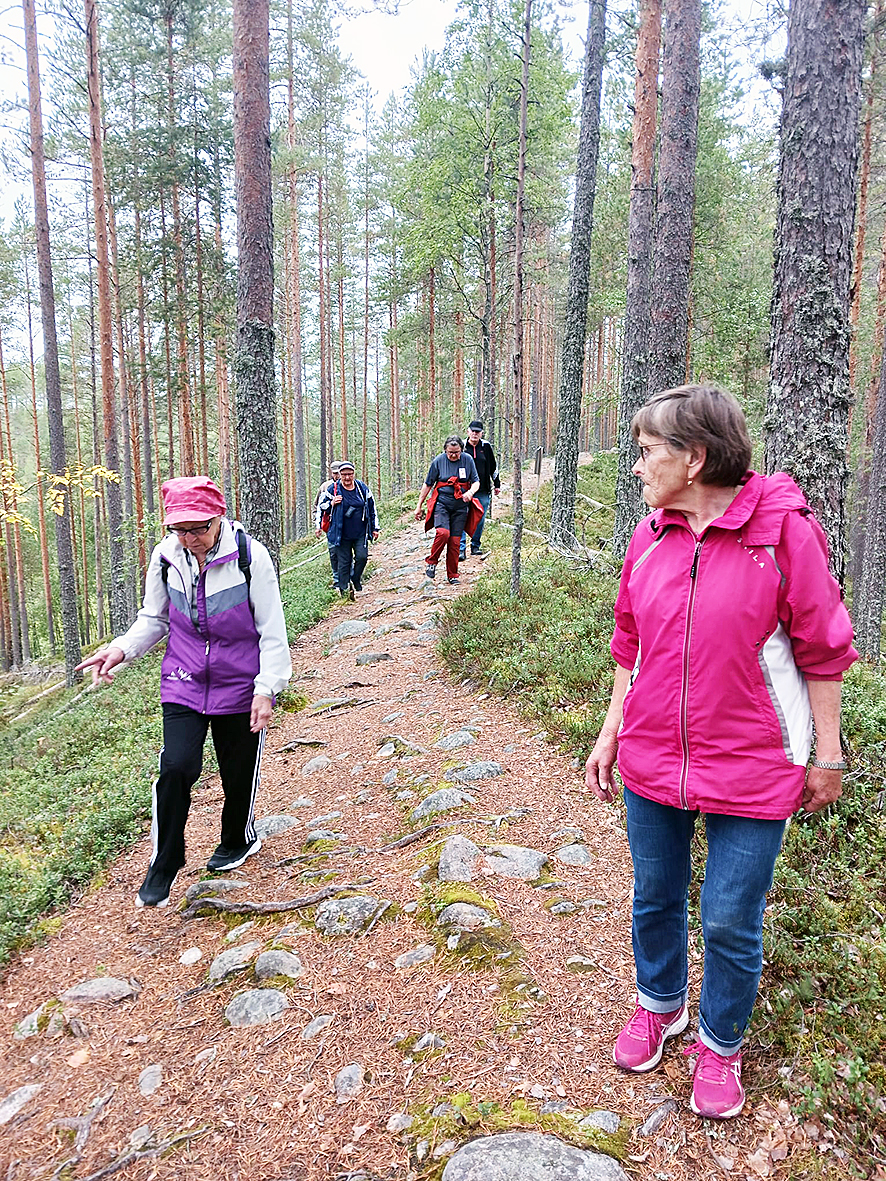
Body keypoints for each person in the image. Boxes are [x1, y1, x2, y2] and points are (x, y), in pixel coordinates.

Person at [585, 384, 857, 1120]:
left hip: (754, 761)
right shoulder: (650, 534)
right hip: (651, 755)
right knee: (654, 895)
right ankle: (661, 1004)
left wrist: (826, 753)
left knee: (731, 915)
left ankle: (721, 1042)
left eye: (648, 452)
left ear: (695, 457)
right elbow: (629, 640)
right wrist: (613, 727)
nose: (637, 467)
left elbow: (824, 647)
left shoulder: (783, 531)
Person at [76, 476, 292, 909]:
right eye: (180, 529)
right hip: (184, 677)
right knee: (176, 766)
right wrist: (118, 650)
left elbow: (272, 629)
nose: (190, 538)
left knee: (237, 771)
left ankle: (237, 839)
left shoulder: (249, 556)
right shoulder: (165, 557)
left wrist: (267, 688)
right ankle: (165, 861)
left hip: (240, 681)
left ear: (219, 519)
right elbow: (154, 618)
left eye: (198, 528)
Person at [415, 435, 481, 585]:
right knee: (443, 533)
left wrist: (470, 493)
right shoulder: (438, 461)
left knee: (455, 541)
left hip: (461, 506)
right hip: (442, 504)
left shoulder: (467, 460)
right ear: (445, 450)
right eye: (450, 452)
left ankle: (453, 575)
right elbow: (428, 484)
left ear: (461, 450)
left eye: (456, 452)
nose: (453, 455)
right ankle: (432, 562)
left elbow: (476, 481)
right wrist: (419, 505)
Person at [317, 459, 379, 599]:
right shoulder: (333, 489)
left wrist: (375, 528)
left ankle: (356, 578)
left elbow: (371, 507)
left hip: (360, 532)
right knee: (344, 563)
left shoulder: (361, 488)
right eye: (344, 474)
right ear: (339, 474)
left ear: (353, 474)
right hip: (341, 533)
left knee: (362, 557)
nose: (347, 477)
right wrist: (332, 503)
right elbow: (321, 506)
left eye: (349, 474)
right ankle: (344, 591)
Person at [459, 419, 500, 560]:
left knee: (480, 518)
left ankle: (475, 545)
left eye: (478, 431)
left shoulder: (486, 447)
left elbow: (493, 467)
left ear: (481, 433)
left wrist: (497, 484)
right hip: (463, 489)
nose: (475, 434)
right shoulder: (461, 446)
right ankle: (461, 549)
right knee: (462, 517)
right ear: (468, 431)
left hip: (483, 489)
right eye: (473, 431)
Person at [315, 460, 342, 583]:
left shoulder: (349, 484)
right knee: (333, 552)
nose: (337, 475)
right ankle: (337, 580)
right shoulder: (325, 487)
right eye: (335, 473)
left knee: (346, 550)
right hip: (330, 525)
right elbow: (318, 507)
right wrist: (318, 525)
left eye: (338, 473)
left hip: (346, 524)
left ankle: (350, 576)